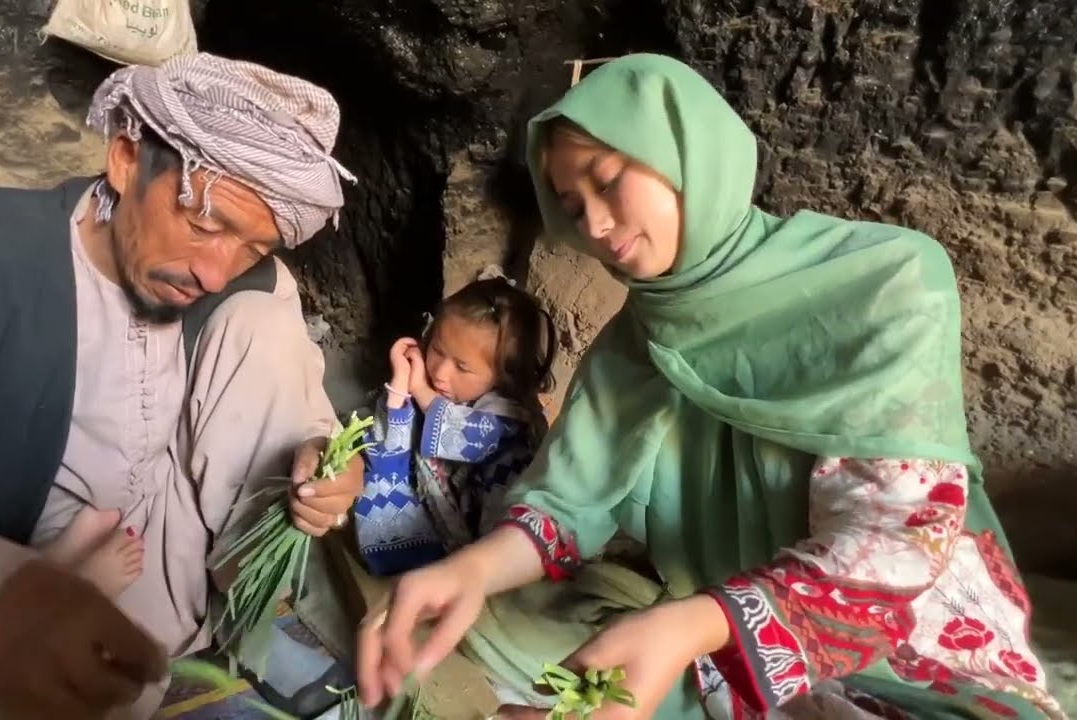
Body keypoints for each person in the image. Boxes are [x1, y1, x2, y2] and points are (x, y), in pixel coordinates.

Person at [356, 54, 1065, 720]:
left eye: (609, 179)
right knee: (492, 641)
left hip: (902, 647)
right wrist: (473, 571)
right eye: (573, 207)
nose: (598, 226)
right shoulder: (637, 342)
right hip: (708, 628)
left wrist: (693, 626)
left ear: (684, 151)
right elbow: (565, 502)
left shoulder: (888, 280)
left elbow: (895, 538)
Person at [0, 53, 363, 720]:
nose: (216, 271)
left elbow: (302, 431)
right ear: (125, 160)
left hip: (158, 579)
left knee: (260, 320)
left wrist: (324, 467)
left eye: (251, 247)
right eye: (205, 225)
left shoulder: (253, 297)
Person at [352, 276, 557, 575]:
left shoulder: (511, 414)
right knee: (376, 460)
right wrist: (400, 387)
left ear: (503, 375)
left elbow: (467, 435)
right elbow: (389, 438)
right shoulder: (440, 392)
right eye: (436, 350)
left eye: (462, 367)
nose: (440, 373)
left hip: (494, 538)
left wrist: (421, 391)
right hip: (449, 519)